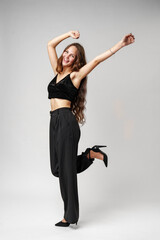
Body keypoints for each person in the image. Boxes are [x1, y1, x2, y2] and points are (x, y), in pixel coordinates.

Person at [47, 30, 135, 227]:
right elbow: (50, 45)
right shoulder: (57, 71)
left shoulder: (76, 76)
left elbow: (96, 61)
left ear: (77, 61)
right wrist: (68, 35)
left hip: (66, 122)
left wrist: (120, 45)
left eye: (72, 55)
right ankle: (90, 155)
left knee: (67, 171)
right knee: (57, 168)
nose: (67, 56)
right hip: (54, 121)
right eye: (66, 53)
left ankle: (69, 217)